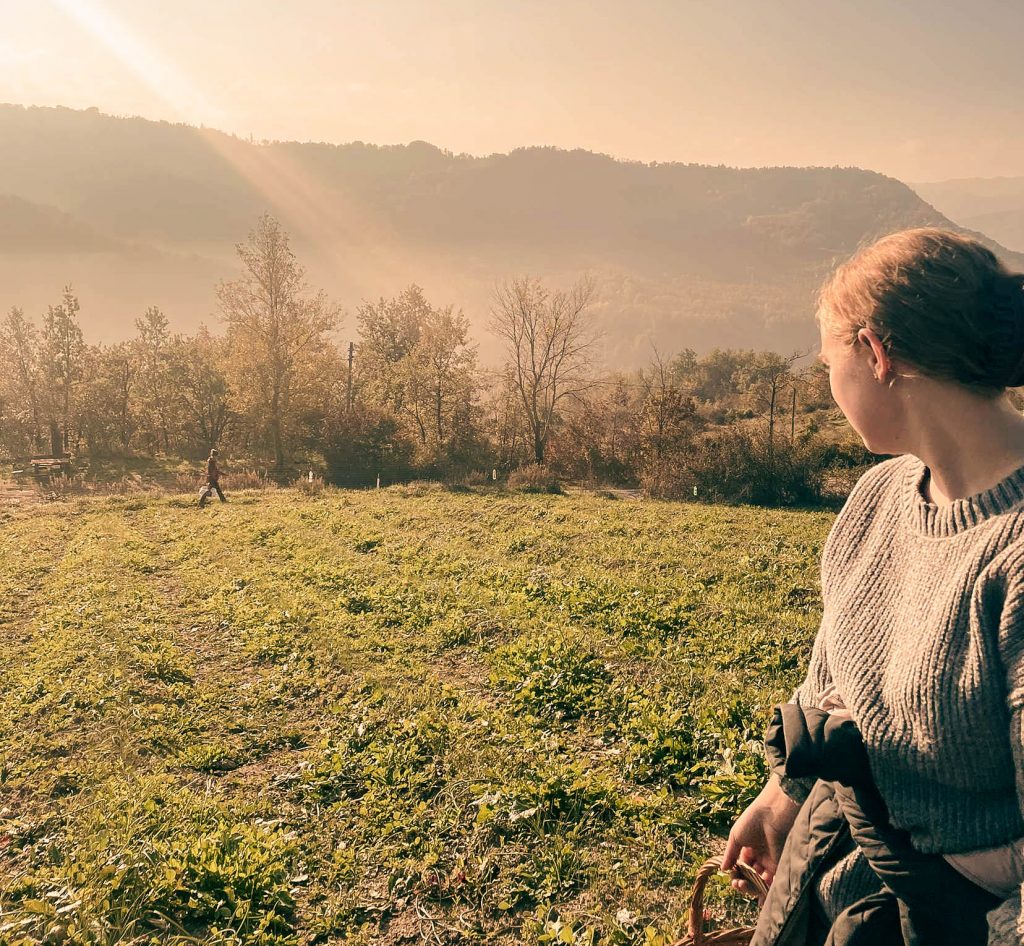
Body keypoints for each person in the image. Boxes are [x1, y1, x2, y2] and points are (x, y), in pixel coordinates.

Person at [720, 228, 1024, 945]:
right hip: (849, 866)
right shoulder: (878, 497)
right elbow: (835, 679)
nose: (830, 385)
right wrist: (782, 795)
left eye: (830, 361)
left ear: (876, 354)